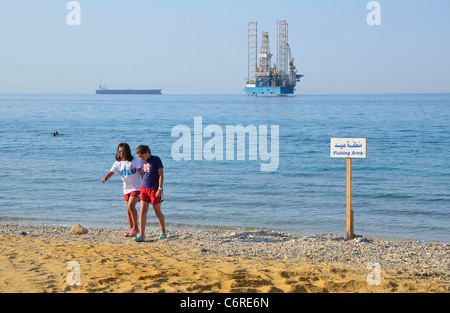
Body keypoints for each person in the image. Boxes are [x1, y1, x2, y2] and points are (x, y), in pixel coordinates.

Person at [101, 143, 143, 237]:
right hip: (126, 189)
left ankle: (136, 228)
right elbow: (111, 172)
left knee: (131, 206)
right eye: (119, 151)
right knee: (128, 210)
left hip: (136, 187)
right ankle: (131, 229)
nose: (121, 153)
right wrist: (105, 178)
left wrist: (145, 185)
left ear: (127, 151)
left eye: (123, 151)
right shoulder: (118, 163)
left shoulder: (135, 160)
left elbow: (141, 172)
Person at [134, 145, 166, 242]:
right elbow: (143, 173)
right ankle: (142, 235)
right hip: (144, 189)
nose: (141, 158)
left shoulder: (156, 160)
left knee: (157, 212)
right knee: (142, 211)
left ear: (147, 152)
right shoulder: (142, 161)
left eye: (142, 156)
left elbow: (161, 175)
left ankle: (163, 231)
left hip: (155, 190)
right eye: (139, 157)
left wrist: (159, 189)